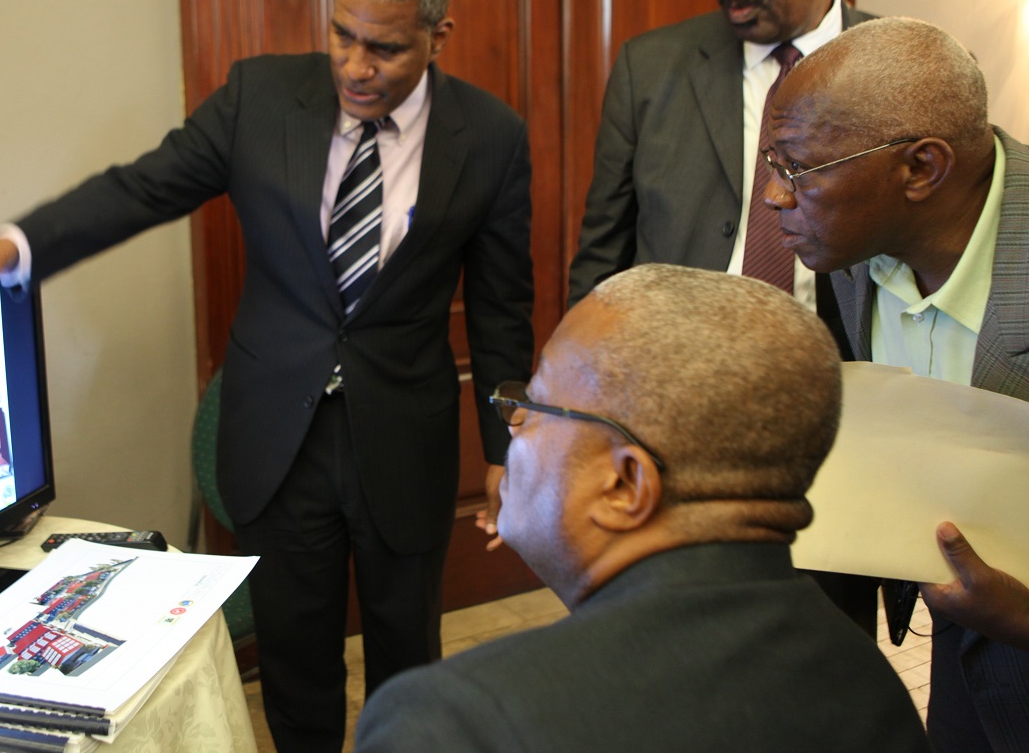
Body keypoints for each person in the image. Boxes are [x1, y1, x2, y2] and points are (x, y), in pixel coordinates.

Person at [0, 0, 534, 753]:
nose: (355, 66)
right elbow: (142, 188)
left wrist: (508, 445)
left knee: (408, 660)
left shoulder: (489, 137)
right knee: (293, 657)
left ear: (436, 36)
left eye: (383, 49)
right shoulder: (259, 98)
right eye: (341, 36)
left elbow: (502, 304)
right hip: (279, 437)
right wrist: (8, 248)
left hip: (404, 437)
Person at [353, 264, 931, 753]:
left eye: (535, 401)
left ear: (626, 485)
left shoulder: (453, 721)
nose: (516, 422)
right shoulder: (871, 685)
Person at [566, 0, 878, 631]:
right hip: (675, 427)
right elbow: (601, 256)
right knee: (679, 651)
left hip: (841, 427)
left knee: (821, 658)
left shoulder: (892, 72)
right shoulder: (650, 69)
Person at [762, 15, 1029, 752]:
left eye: (797, 171)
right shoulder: (852, 251)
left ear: (919, 169)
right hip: (960, 671)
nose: (774, 198)